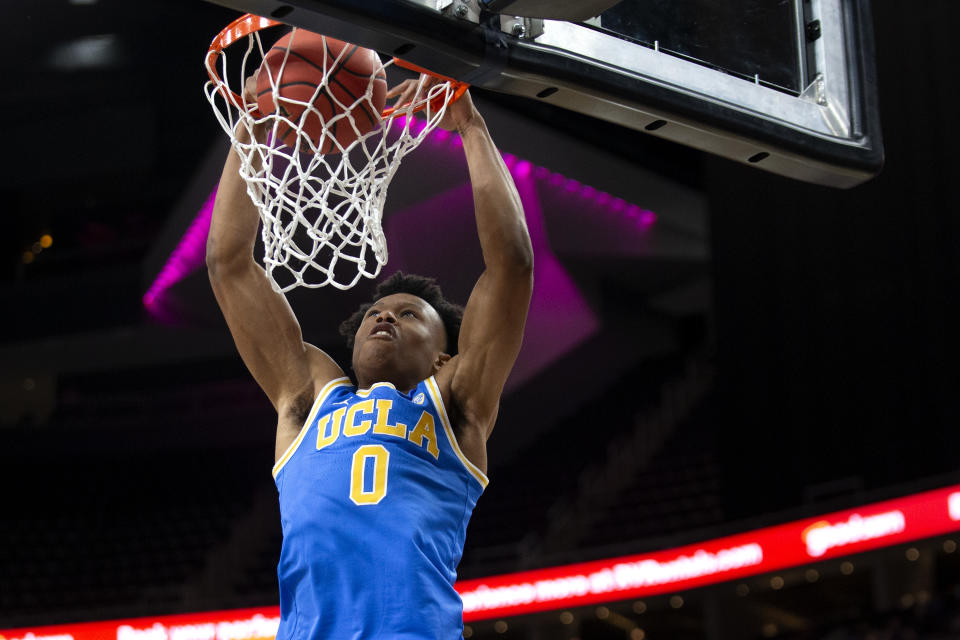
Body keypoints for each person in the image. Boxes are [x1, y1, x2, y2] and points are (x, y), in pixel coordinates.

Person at [206, 73, 534, 639]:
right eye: (377, 315)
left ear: (441, 357)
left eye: (410, 315)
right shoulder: (307, 398)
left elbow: (512, 267)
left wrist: (470, 128)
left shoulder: (455, 402)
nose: (385, 316)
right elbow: (229, 263)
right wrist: (252, 132)